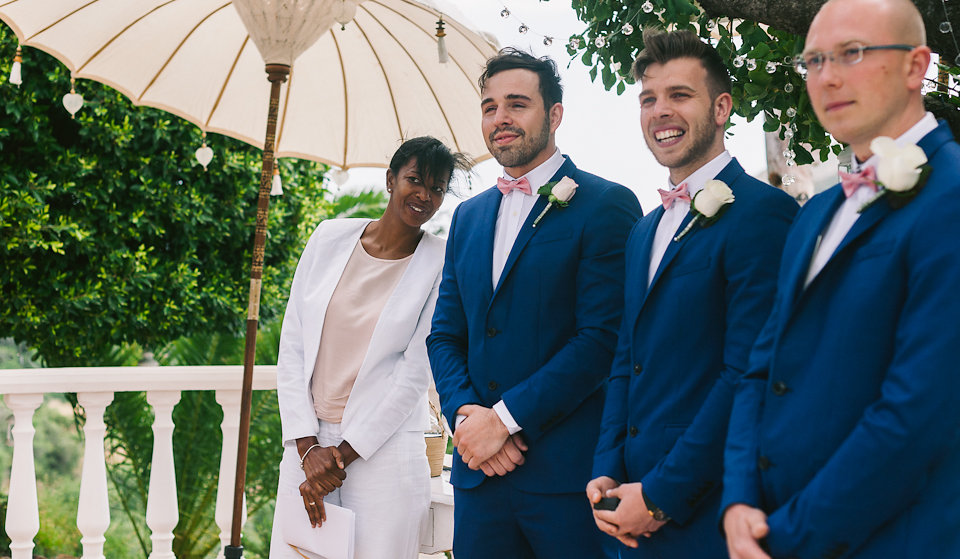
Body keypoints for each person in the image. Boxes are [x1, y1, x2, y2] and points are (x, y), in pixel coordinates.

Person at [722, 0, 960, 559]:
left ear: (916, 66)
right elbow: (761, 368)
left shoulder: (952, 198)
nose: (826, 77)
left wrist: (788, 537)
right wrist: (737, 503)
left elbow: (917, 413)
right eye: (813, 60)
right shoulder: (817, 214)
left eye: (851, 53)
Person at [586, 29, 798, 557]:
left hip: (707, 510)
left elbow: (747, 372)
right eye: (648, 99)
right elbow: (624, 359)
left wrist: (661, 496)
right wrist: (606, 467)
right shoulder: (643, 229)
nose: (660, 111)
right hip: (625, 510)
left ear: (722, 107)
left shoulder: (764, 215)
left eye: (680, 95)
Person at [427, 47, 642, 559]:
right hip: (480, 481)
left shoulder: (605, 204)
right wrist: (468, 418)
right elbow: (445, 334)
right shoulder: (468, 217)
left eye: (516, 104)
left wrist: (503, 422)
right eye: (489, 106)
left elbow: (601, 339)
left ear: (554, 115)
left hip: (566, 482)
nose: (500, 118)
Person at [269, 136, 471, 559]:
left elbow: (415, 374)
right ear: (390, 179)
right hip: (306, 446)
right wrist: (308, 449)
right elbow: (292, 348)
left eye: (436, 188)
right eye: (414, 179)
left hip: (384, 454)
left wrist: (337, 458)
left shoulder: (440, 261)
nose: (424, 195)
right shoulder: (328, 238)